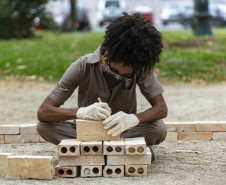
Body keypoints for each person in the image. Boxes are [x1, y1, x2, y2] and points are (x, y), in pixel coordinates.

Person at [36, 12, 168, 161]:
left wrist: (134, 119)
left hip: (124, 130)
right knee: (44, 127)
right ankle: (126, 148)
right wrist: (81, 112)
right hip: (87, 130)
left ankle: (91, 150)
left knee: (158, 129)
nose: (118, 78)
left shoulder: (139, 66)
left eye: (125, 76)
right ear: (106, 56)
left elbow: (161, 108)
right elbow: (43, 111)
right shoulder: (82, 66)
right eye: (115, 72)